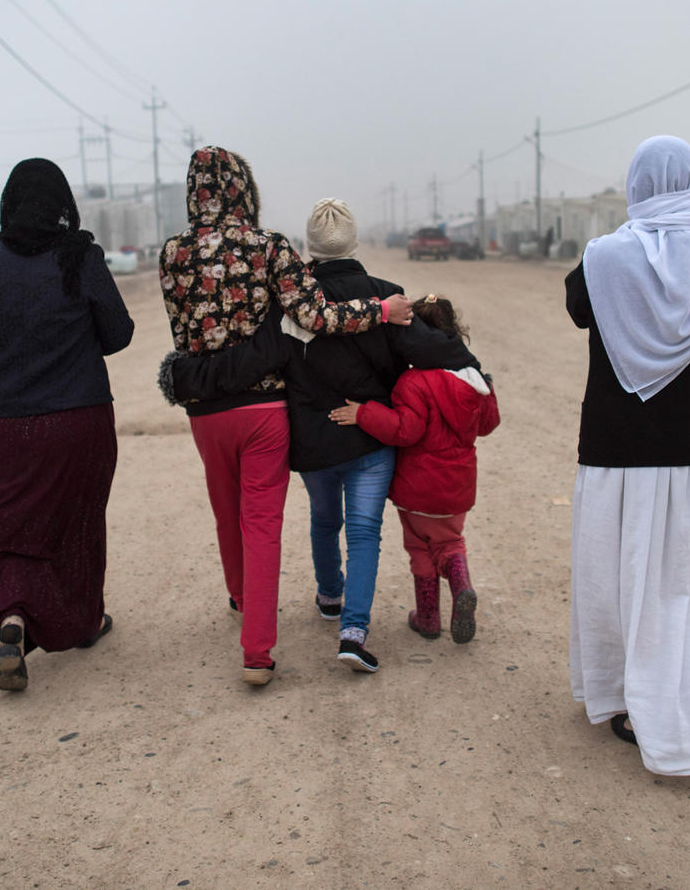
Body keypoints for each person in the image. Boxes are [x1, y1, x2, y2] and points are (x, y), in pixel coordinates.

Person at [158, 151, 413, 686]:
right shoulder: (269, 247)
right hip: (262, 411)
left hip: (205, 412)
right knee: (262, 525)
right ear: (243, 189)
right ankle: (256, 652)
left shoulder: (172, 254)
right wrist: (380, 311)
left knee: (226, 513)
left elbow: (185, 335)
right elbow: (315, 316)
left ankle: (239, 595)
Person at [565, 135, 690, 776]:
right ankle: (688, 683)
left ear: (637, 187)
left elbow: (576, 307)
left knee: (622, 579)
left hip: (622, 456)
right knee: (686, 579)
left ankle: (633, 698)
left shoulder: (604, 258)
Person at [0, 158, 133, 692]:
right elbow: (118, 332)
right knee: (73, 523)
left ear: (9, 203)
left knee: (1, 529)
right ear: (62, 205)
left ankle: (10, 618)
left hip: (7, 425)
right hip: (80, 418)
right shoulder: (80, 256)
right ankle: (79, 622)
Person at [329, 295, 499, 646]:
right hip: (457, 488)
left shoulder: (413, 382)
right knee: (451, 541)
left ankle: (429, 617)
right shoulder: (473, 380)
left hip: (417, 487)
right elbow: (488, 424)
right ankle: (461, 585)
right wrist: (488, 386)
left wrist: (364, 413)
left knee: (420, 549)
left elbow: (405, 430)